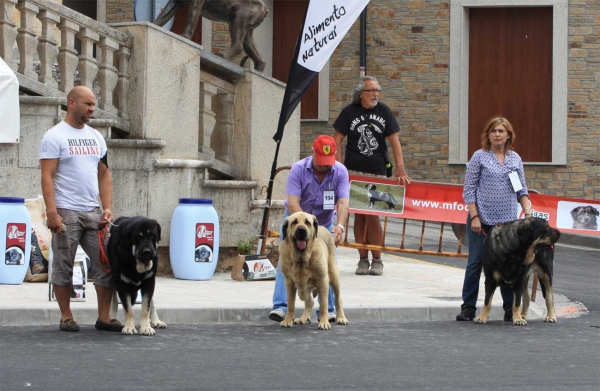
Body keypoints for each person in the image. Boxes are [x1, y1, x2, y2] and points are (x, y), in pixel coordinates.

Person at [39, 86, 123, 332]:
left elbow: (104, 174)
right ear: (71, 103)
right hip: (66, 211)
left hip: (93, 211)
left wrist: (107, 207)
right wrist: (51, 212)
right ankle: (66, 316)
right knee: (63, 264)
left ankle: (104, 317)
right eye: (87, 104)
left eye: (94, 104)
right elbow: (47, 176)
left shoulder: (96, 137)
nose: (92, 109)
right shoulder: (54, 136)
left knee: (105, 263)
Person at [456, 116, 531, 322]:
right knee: (476, 263)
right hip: (482, 220)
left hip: (507, 224)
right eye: (494, 131)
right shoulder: (479, 157)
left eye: (501, 131)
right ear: (488, 135)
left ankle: (509, 308)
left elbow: (521, 190)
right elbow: (469, 190)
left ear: (508, 135)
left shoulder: (515, 159)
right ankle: (468, 307)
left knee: (508, 264)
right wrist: (474, 216)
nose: (497, 134)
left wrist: (527, 211)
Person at [333, 76, 411, 276]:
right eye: (371, 90)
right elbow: (337, 138)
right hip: (354, 171)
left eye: (378, 90)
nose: (376, 94)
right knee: (360, 215)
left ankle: (377, 260)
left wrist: (400, 168)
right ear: (361, 94)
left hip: (377, 171)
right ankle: (362, 260)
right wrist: (339, 166)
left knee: (373, 215)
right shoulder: (349, 112)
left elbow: (394, 141)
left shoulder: (384, 111)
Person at [269, 135, 349, 322]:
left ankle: (327, 310)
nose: (324, 166)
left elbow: (343, 202)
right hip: (297, 223)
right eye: (321, 161)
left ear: (335, 155)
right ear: (312, 153)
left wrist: (339, 227)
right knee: (287, 262)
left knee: (326, 266)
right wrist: (306, 228)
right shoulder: (298, 170)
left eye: (328, 162)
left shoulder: (340, 172)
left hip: (324, 225)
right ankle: (280, 307)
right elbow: (293, 203)